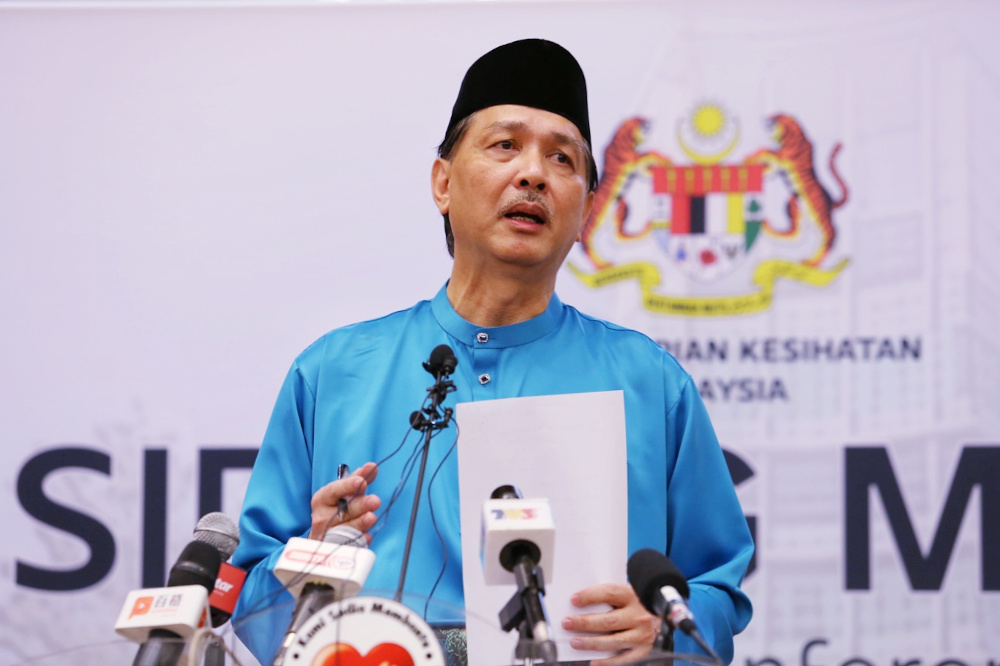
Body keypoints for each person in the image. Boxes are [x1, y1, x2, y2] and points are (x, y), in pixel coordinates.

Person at [231, 38, 753, 666]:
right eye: (505, 145)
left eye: (562, 158)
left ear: (586, 210)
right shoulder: (333, 372)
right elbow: (250, 607)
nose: (533, 173)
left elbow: (716, 588)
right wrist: (308, 563)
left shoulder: (649, 383)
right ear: (443, 183)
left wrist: (664, 630)